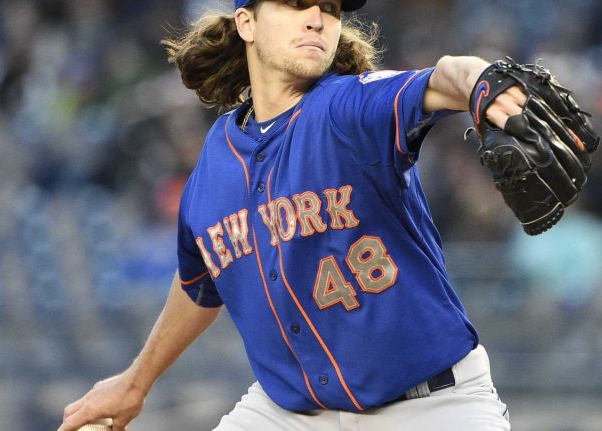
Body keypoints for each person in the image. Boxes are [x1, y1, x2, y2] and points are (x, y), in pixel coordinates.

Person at [58, 0, 527, 430]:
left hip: (431, 407)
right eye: (295, 3)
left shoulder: (350, 107)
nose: (317, 17)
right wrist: (135, 382)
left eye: (331, 7)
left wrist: (482, 83)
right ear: (247, 23)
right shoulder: (216, 161)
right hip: (291, 414)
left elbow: (444, 77)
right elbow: (201, 279)